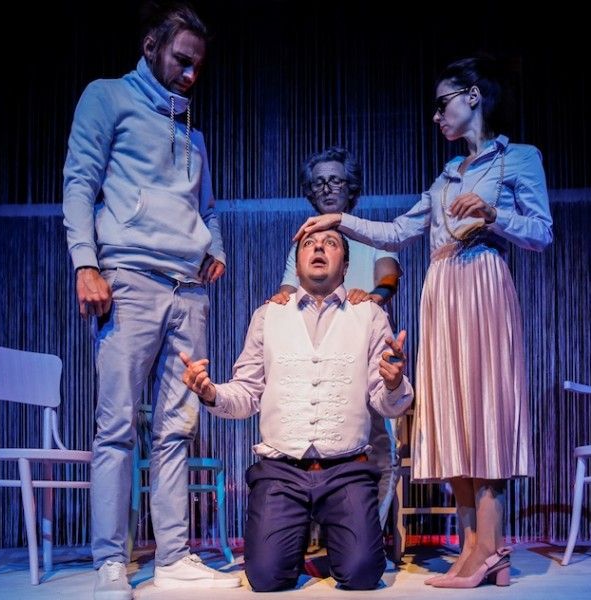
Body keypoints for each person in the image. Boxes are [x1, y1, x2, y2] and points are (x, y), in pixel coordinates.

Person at [294, 55, 553, 589]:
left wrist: (494, 214)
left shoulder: (518, 159)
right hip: (442, 290)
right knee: (453, 415)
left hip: (482, 284)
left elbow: (541, 232)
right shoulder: (446, 176)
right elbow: (397, 232)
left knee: (485, 412)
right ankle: (471, 548)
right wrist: (339, 220)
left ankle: (492, 547)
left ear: (473, 96)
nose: (436, 116)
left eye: (442, 104)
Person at [62, 2, 241, 597]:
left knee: (176, 428)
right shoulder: (107, 97)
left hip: (188, 290)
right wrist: (86, 263)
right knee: (116, 426)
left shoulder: (194, 134)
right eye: (181, 61)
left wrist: (215, 246)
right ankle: (110, 560)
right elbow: (80, 182)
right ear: (151, 47)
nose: (190, 74)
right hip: (130, 279)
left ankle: (173, 556)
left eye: (198, 67)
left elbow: (207, 209)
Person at [180, 229, 414, 592]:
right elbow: (247, 393)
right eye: (308, 244)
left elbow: (384, 401)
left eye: (330, 243)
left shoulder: (369, 314)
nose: (318, 247)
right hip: (281, 470)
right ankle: (292, 544)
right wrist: (211, 393)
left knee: (363, 573)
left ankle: (339, 548)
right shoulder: (268, 315)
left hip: (346, 469)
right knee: (265, 578)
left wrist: (395, 382)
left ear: (345, 265)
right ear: (297, 262)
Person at [270, 146, 402, 532]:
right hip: (316, 357)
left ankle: (370, 534)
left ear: (351, 187)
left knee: (378, 449)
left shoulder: (371, 234)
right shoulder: (304, 241)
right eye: (319, 183)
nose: (327, 189)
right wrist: (278, 302)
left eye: (336, 181)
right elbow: (287, 290)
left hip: (364, 352)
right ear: (310, 192)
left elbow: (388, 277)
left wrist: (372, 298)